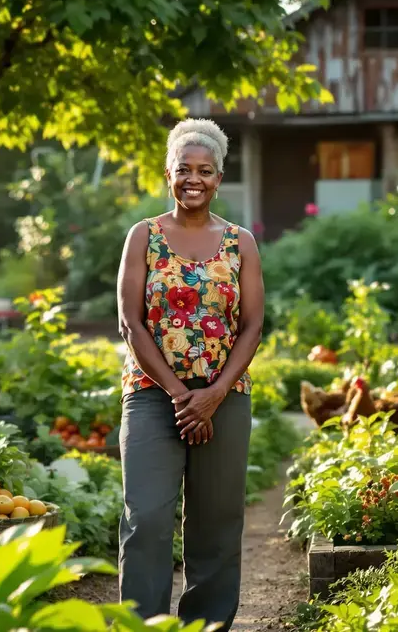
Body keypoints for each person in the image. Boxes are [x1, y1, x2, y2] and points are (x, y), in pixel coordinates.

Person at [115, 118, 265, 629]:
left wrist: (215, 394)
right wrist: (184, 395)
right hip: (154, 396)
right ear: (168, 174)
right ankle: (145, 623)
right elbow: (130, 323)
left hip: (225, 397)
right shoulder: (145, 236)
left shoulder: (240, 242)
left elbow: (252, 326)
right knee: (149, 517)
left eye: (205, 170)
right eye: (184, 169)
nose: (193, 179)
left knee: (217, 521)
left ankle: (207, 623)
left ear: (219, 178)